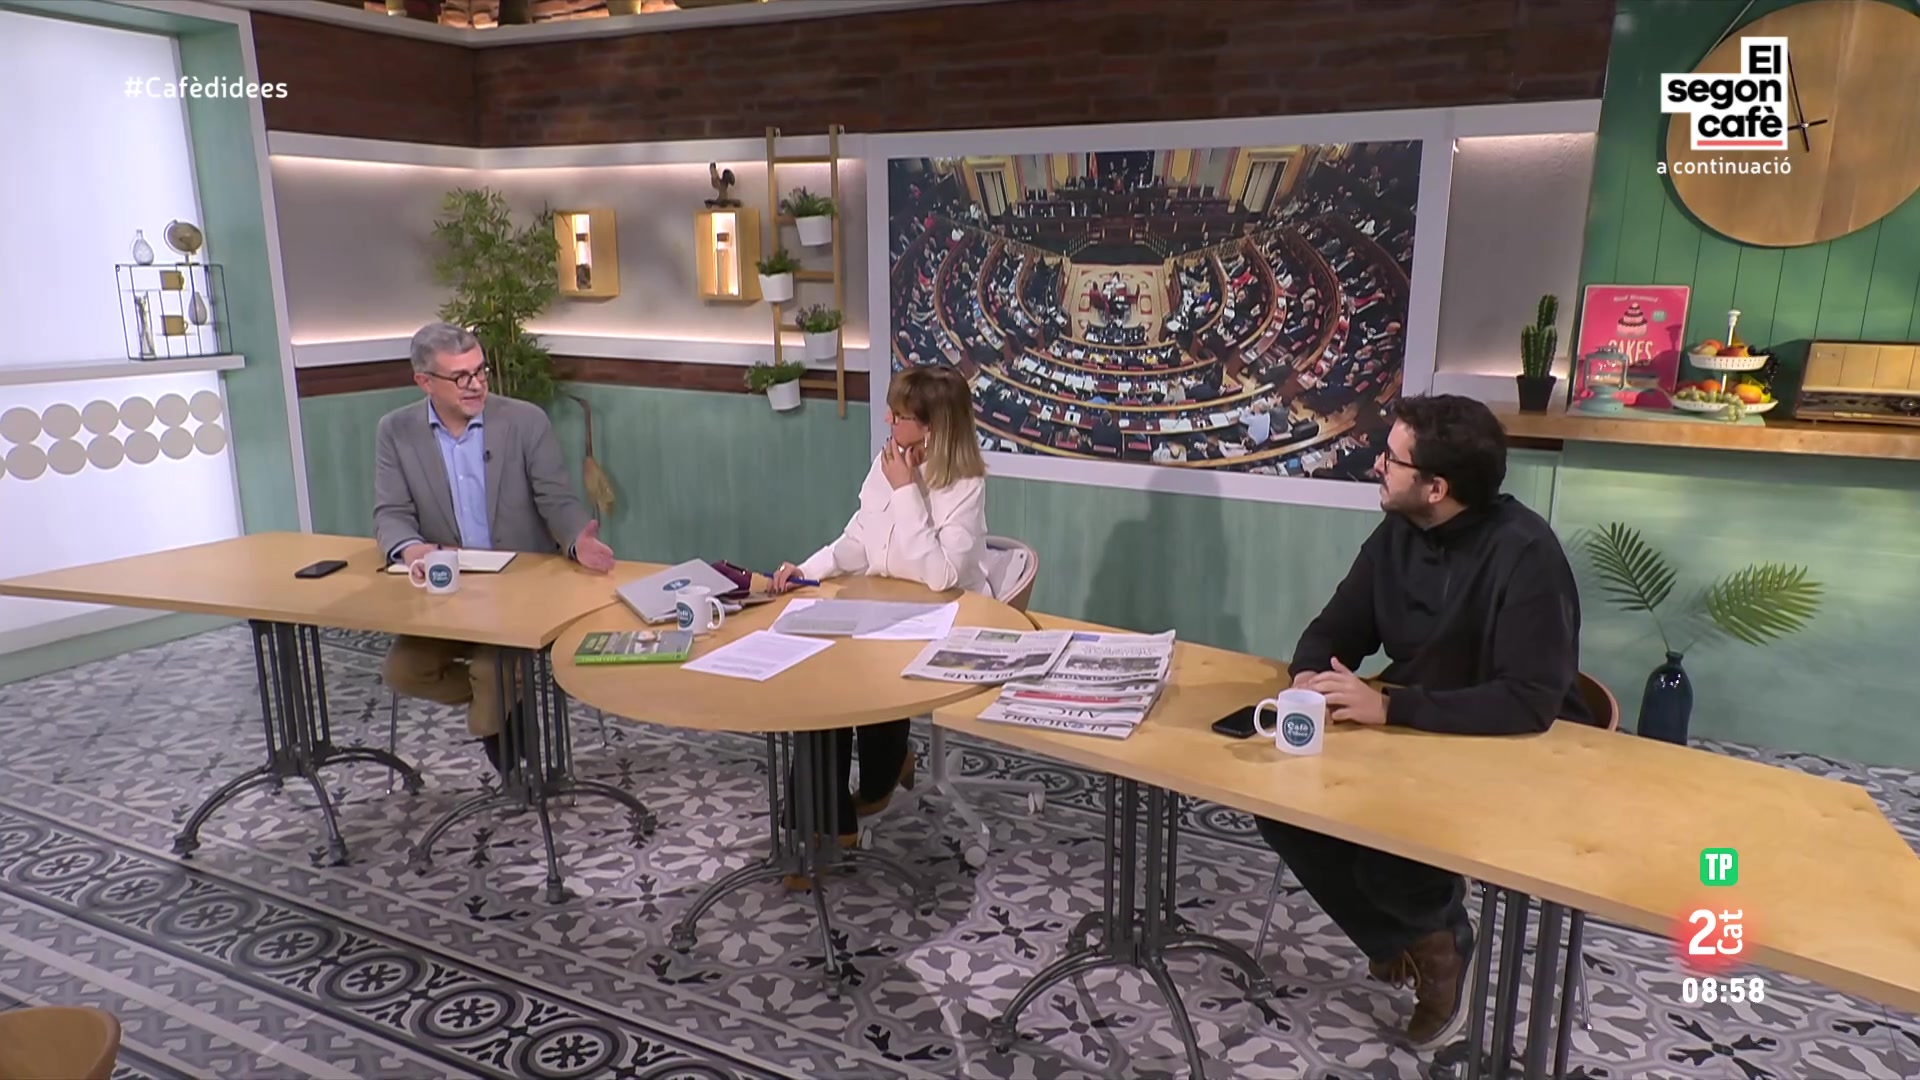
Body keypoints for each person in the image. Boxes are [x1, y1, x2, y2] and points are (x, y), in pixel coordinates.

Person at [1254, 393, 1591, 1051]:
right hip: (1412, 729)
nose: (1377, 464)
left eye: (1392, 458)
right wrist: (1307, 678)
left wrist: (1389, 708)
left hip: (1507, 746)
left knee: (1385, 825)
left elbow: (1530, 700)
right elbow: (1334, 630)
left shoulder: (1527, 553)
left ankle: (1438, 948)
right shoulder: (1399, 532)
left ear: (1436, 487)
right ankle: (1411, 939)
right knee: (1282, 804)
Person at [373, 322, 615, 774]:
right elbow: (391, 512)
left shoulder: (524, 421)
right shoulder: (396, 431)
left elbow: (556, 499)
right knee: (403, 672)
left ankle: (504, 749)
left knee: (491, 673)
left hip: (522, 591)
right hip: (450, 592)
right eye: (460, 376)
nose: (476, 384)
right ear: (425, 381)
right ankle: (507, 708)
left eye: (480, 371)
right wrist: (410, 549)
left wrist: (576, 540)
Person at [770, 364, 990, 861]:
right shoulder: (887, 461)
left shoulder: (966, 486)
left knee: (861, 668)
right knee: (820, 667)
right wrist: (806, 570)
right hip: (882, 608)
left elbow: (940, 576)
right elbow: (858, 538)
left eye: (899, 416)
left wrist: (906, 490)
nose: (888, 422)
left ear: (932, 428)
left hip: (945, 622)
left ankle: (875, 776)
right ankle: (822, 819)